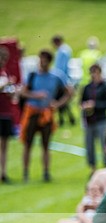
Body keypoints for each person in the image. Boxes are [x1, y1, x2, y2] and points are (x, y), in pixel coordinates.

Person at [18, 49, 71, 182]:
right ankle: (25, 173)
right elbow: (22, 92)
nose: (42, 63)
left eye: (45, 61)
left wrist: (58, 104)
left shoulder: (56, 76)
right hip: (32, 112)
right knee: (27, 143)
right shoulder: (32, 75)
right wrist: (36, 95)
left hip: (47, 113)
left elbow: (70, 91)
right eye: (41, 60)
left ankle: (46, 172)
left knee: (46, 145)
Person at [81, 63, 106, 173]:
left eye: (95, 72)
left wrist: (95, 105)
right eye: (92, 73)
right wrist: (85, 106)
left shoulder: (105, 87)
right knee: (89, 145)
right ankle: (92, 167)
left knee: (104, 143)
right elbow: (82, 101)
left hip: (101, 120)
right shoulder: (87, 88)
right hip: (89, 120)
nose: (93, 75)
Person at [0, 45, 17, 184]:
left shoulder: (5, 72)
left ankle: (3, 172)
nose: (3, 61)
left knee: (5, 144)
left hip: (6, 111)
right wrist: (6, 84)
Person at [51, 34, 75, 127]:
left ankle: (64, 119)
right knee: (64, 100)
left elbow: (61, 68)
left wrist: (59, 79)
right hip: (64, 79)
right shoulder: (65, 49)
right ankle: (68, 118)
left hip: (62, 80)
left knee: (61, 98)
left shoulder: (62, 51)